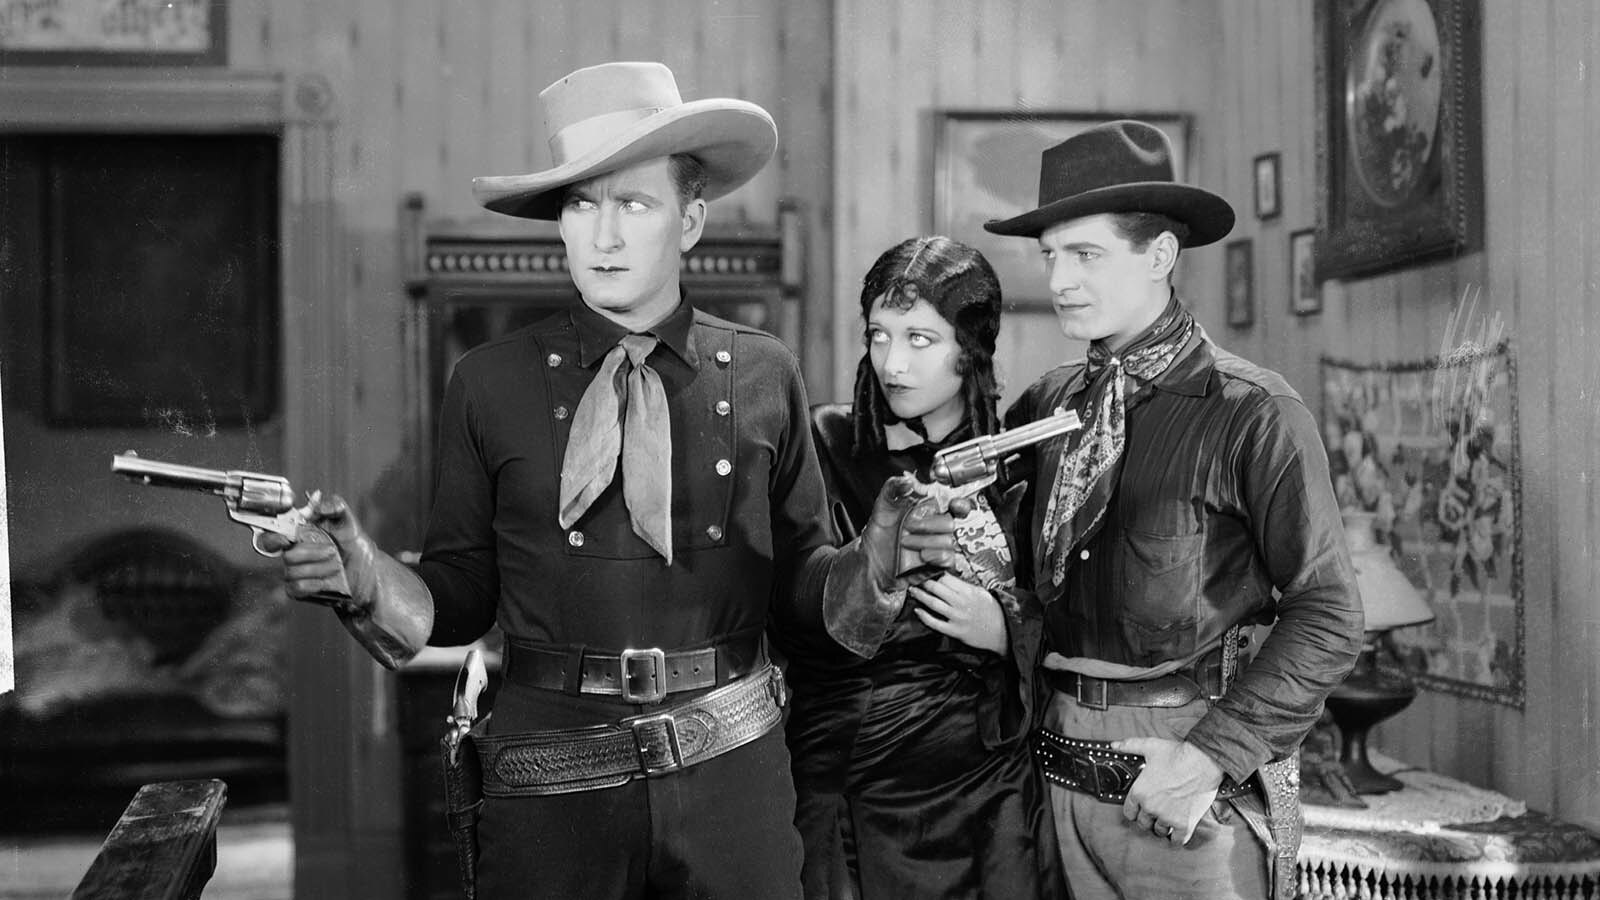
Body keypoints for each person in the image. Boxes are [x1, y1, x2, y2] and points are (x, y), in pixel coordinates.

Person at [267, 61, 961, 900]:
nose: (603, 236)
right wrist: (364, 578)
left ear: (691, 220)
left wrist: (874, 562)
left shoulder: (763, 373)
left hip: (732, 774)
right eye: (580, 205)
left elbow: (802, 588)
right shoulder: (489, 383)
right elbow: (460, 593)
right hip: (548, 779)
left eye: (633, 205)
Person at [982, 120, 1365, 899]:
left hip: (1182, 791)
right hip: (1048, 779)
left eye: (1085, 254)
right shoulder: (1048, 408)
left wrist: (1208, 758)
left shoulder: (1252, 412)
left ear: (1159, 255)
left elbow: (1329, 613)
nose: (1059, 280)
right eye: (1050, 255)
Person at [780, 236, 1067, 899]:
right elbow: (793, 605)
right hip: (857, 766)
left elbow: (1074, 611)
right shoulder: (825, 444)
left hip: (986, 780)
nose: (892, 362)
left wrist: (1003, 628)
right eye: (879, 336)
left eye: (919, 339)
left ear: (970, 350)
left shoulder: (1020, 462)